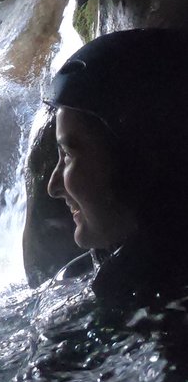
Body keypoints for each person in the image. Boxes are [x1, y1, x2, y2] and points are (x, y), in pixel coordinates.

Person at [45, 27, 188, 306]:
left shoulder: (154, 307)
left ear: (141, 162)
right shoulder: (92, 274)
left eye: (68, 156)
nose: (53, 187)